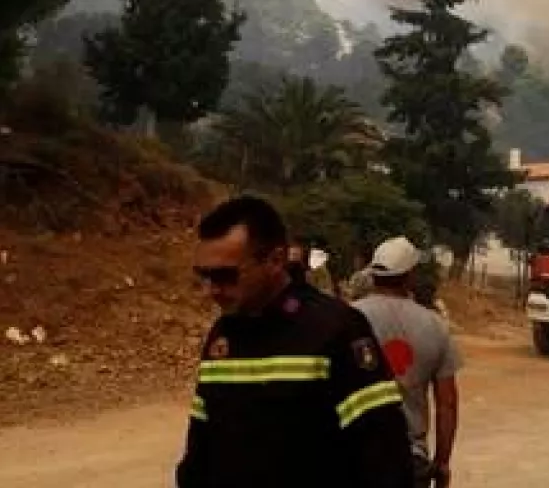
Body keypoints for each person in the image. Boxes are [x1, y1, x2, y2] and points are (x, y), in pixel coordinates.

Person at [176, 195, 412, 488]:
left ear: (275, 260)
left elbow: (384, 453)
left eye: (225, 275)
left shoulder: (335, 329)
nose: (211, 290)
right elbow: (201, 447)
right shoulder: (222, 337)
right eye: (205, 276)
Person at [354, 237, 463, 488]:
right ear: (410, 275)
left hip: (356, 452)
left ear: (373, 274)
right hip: (410, 458)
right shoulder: (435, 326)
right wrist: (442, 462)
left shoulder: (349, 318)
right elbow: (447, 403)